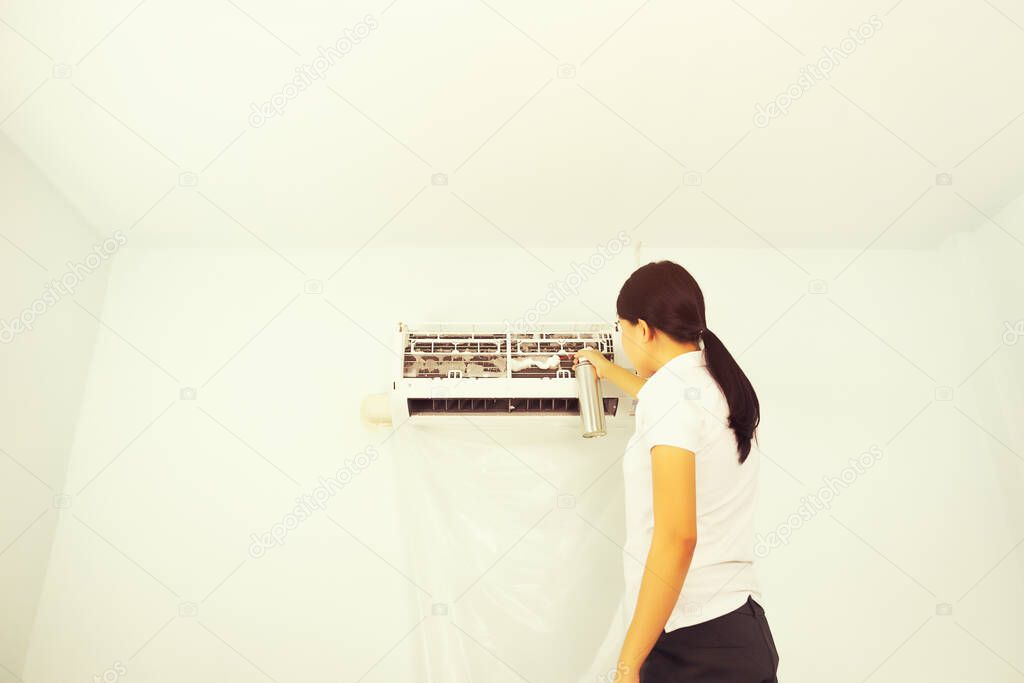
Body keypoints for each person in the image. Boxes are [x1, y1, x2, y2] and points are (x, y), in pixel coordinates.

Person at [574, 261, 780, 682]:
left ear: (643, 329)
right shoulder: (714, 383)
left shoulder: (670, 396)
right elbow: (666, 403)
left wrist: (628, 663)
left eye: (622, 329)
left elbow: (678, 537)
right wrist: (610, 370)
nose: (624, 342)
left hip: (692, 644)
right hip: (740, 629)